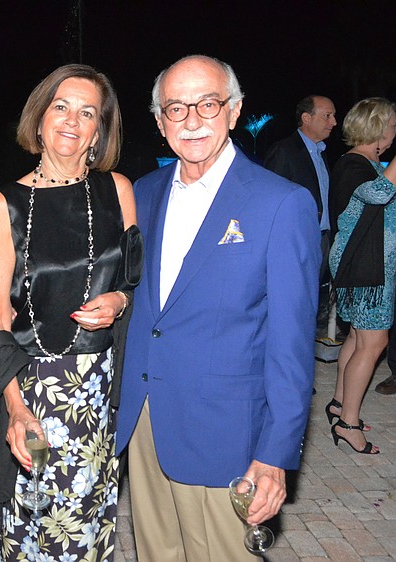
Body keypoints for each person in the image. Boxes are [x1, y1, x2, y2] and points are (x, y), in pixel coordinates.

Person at [115, 55, 320, 561]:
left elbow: (292, 346)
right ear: (160, 122)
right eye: (175, 108)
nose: (191, 120)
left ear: (234, 111)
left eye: (207, 104)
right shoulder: (141, 194)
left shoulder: (281, 203)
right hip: (144, 422)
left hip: (225, 433)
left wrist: (274, 456)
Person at [0, 64, 141, 561]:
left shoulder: (118, 189)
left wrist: (118, 301)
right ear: (41, 116)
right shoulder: (6, 204)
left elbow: (131, 280)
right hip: (32, 393)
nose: (72, 120)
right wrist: (14, 405)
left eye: (87, 111)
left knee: (86, 531)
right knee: (35, 537)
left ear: (99, 128)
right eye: (61, 106)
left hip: (96, 394)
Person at [326, 97, 396, 453]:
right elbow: (378, 195)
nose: (395, 131)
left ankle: (340, 404)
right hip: (366, 267)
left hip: (363, 262)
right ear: (378, 128)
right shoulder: (355, 165)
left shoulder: (366, 162)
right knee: (374, 342)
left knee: (357, 338)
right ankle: (349, 424)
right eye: (393, 124)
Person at [265, 95, 337, 330]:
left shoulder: (321, 152)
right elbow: (269, 199)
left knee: (309, 302)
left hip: (321, 239)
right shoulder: (285, 151)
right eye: (328, 116)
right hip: (295, 242)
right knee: (289, 301)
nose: (334, 122)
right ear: (306, 118)